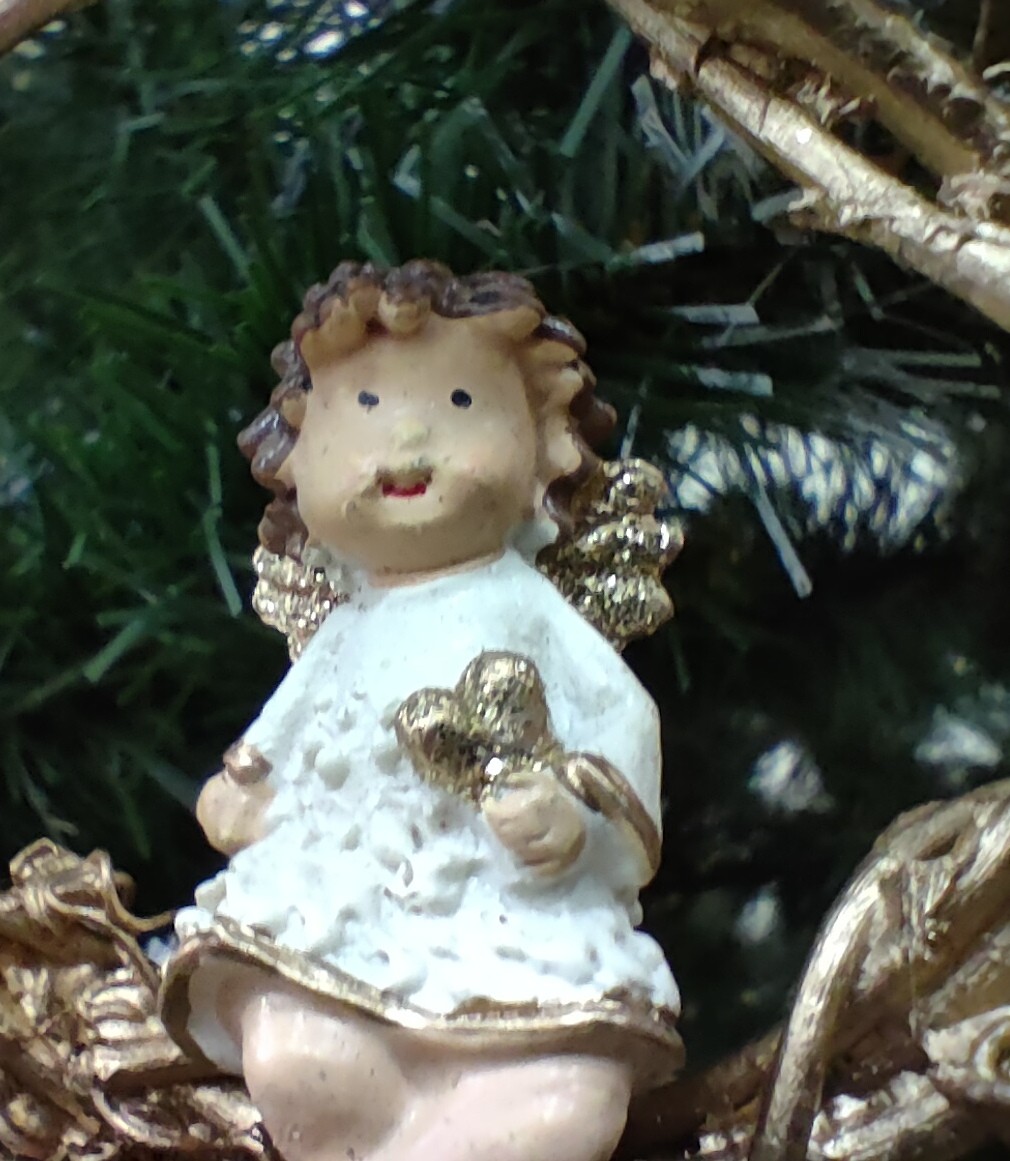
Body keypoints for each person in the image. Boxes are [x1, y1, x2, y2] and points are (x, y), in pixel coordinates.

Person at [160, 261, 680, 1161]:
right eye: (363, 408)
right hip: (337, 916)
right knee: (292, 1047)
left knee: (571, 1102)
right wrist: (242, 795)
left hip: (510, 924)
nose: (406, 438)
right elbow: (270, 749)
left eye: (460, 403)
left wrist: (577, 823)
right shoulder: (345, 630)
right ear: (296, 459)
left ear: (543, 452)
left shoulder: (529, 610)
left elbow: (623, 728)